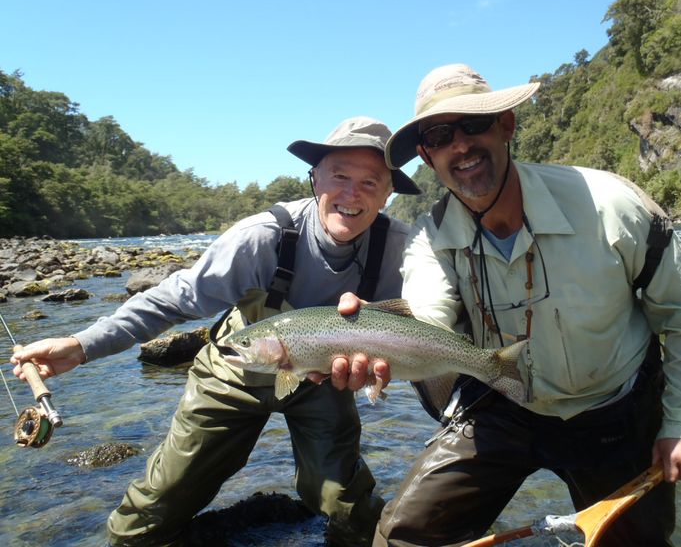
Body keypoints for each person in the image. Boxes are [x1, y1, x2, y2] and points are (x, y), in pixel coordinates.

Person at [342, 64, 681, 546]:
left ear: (506, 125)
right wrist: (366, 341)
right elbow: (426, 321)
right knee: (405, 537)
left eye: (474, 124)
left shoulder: (612, 206)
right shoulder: (430, 238)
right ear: (426, 155)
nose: (460, 145)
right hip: (501, 404)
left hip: (616, 410)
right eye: (440, 135)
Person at [11, 116, 420, 547]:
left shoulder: (402, 251)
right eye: (339, 176)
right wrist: (80, 346)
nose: (351, 194)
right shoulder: (263, 237)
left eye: (370, 182)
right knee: (161, 502)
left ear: (389, 193)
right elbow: (173, 298)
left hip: (323, 379)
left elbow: (432, 327)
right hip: (234, 371)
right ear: (315, 178)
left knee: (348, 506)